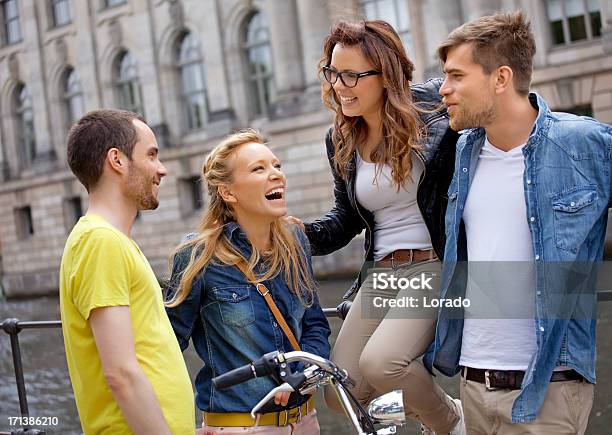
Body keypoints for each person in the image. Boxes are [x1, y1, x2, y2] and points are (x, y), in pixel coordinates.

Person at [424, 11, 612, 434]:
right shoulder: (461, 153)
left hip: (549, 388)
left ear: (500, 77)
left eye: (456, 76)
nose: (444, 90)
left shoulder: (585, 144)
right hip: (471, 383)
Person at [292, 20, 464, 434]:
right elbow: (346, 219)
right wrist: (295, 234)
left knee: (382, 364)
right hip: (382, 274)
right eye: (334, 74)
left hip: (432, 264)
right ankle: (429, 415)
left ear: (385, 74)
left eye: (352, 75)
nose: (339, 86)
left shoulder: (435, 111)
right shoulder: (341, 139)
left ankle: (452, 422)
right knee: (339, 391)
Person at [165, 129, 331, 435]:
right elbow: (166, 346)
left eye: (276, 166)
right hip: (241, 427)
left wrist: (302, 374)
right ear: (228, 193)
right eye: (259, 169)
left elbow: (315, 324)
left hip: (306, 422)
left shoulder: (295, 240)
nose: (276, 175)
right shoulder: (197, 256)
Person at [59, 109, 195, 434]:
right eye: (151, 155)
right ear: (117, 160)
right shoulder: (100, 242)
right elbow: (120, 373)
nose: (161, 169)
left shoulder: (109, 240)